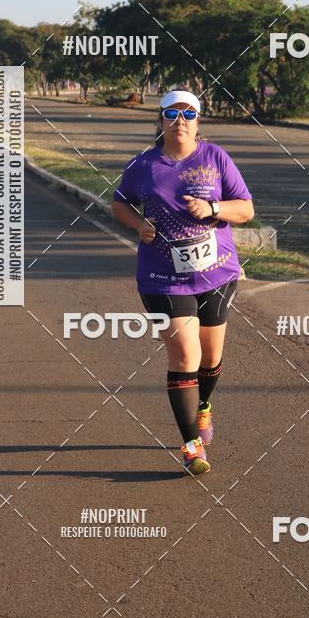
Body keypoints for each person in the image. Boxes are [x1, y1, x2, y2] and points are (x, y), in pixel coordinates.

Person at [111, 90, 254, 476]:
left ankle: (203, 406)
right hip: (162, 277)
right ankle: (191, 446)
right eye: (172, 113)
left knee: (210, 359)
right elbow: (119, 202)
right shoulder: (144, 165)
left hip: (217, 273)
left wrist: (213, 208)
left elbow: (245, 208)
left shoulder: (216, 158)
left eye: (189, 113)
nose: (180, 120)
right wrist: (138, 224)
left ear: (198, 121)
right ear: (159, 120)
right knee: (185, 358)